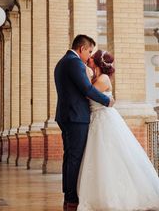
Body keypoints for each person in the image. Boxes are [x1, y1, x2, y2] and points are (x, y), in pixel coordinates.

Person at [76, 50, 159, 211]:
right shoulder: (98, 77)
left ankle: (114, 197)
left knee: (107, 156)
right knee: (99, 157)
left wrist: (86, 73)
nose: (89, 59)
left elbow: (87, 94)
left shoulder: (102, 79)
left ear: (97, 62)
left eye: (92, 57)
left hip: (103, 120)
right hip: (97, 120)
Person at [54, 35, 114, 211]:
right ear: (81, 49)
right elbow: (86, 89)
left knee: (69, 157)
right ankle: (72, 199)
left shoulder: (63, 62)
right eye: (89, 51)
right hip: (76, 117)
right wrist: (107, 101)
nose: (89, 56)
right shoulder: (74, 62)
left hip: (67, 116)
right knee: (74, 158)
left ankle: (68, 196)